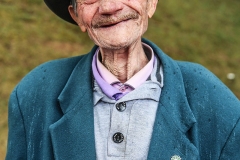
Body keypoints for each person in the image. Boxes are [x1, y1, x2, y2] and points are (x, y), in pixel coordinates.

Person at [6, 0, 240, 159]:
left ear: (151, 3)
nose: (109, 6)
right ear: (76, 15)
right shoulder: (34, 94)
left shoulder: (216, 103)